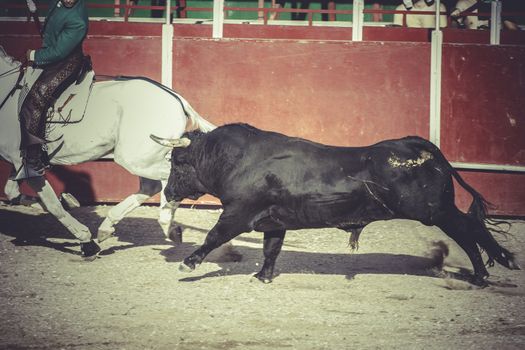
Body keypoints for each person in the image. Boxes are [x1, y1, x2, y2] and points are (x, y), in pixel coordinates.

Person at [16, 0, 89, 180]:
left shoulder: (77, 19)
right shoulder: (58, 3)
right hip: (56, 58)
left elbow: (59, 52)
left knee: (36, 98)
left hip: (67, 63)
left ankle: (33, 161)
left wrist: (34, 55)